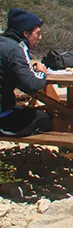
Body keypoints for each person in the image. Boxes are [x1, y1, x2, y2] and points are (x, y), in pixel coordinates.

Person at [0, 9, 52, 137]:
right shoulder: (16, 49)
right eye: (37, 33)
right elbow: (31, 85)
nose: (40, 37)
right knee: (46, 118)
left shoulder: (4, 44)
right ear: (26, 34)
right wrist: (41, 72)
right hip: (3, 121)